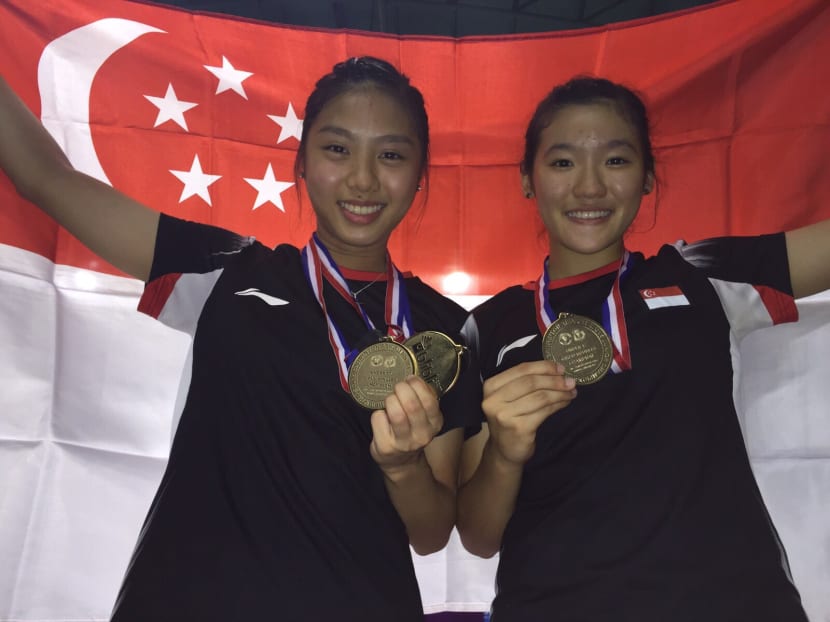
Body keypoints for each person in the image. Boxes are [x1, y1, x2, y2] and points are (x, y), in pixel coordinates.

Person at [0, 56, 481, 621]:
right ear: (300, 161)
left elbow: (430, 533)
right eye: (336, 148)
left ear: (421, 173)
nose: (363, 179)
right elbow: (46, 178)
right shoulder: (228, 270)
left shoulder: (448, 331)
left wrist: (402, 466)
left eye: (392, 155)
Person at [456, 76, 830, 621]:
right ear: (527, 180)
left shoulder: (701, 274)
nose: (589, 188)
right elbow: (478, 536)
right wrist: (504, 452)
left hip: (732, 603)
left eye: (615, 161)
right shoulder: (486, 326)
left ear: (648, 176)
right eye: (562, 163)